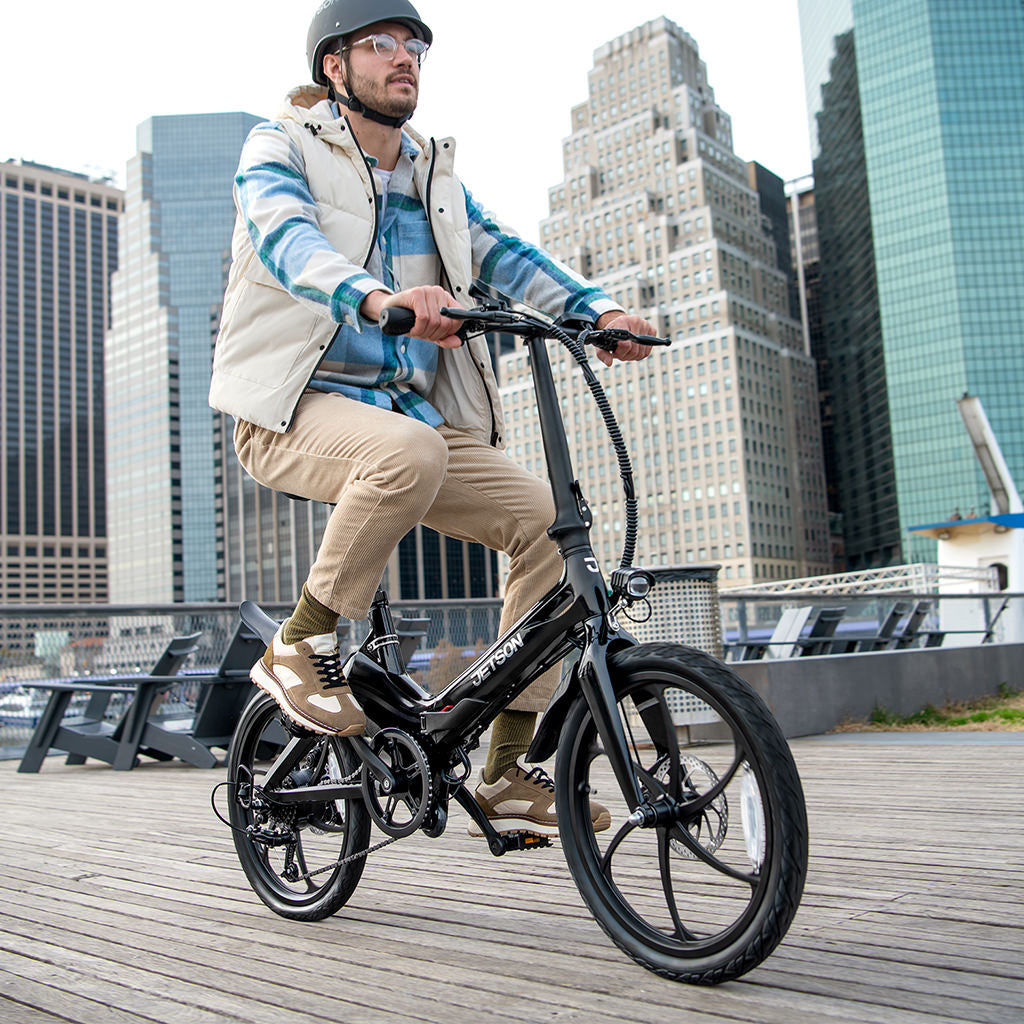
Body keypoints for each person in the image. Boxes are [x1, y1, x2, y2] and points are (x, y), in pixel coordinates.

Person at [210, 0, 654, 836]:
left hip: (413, 420)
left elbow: (503, 253)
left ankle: (506, 769)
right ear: (333, 68)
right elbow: (285, 241)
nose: (404, 57)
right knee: (404, 452)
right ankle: (300, 645)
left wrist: (597, 311)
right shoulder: (280, 146)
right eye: (381, 44)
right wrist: (378, 300)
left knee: (550, 528)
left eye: (414, 44)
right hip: (292, 409)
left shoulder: (432, 175)